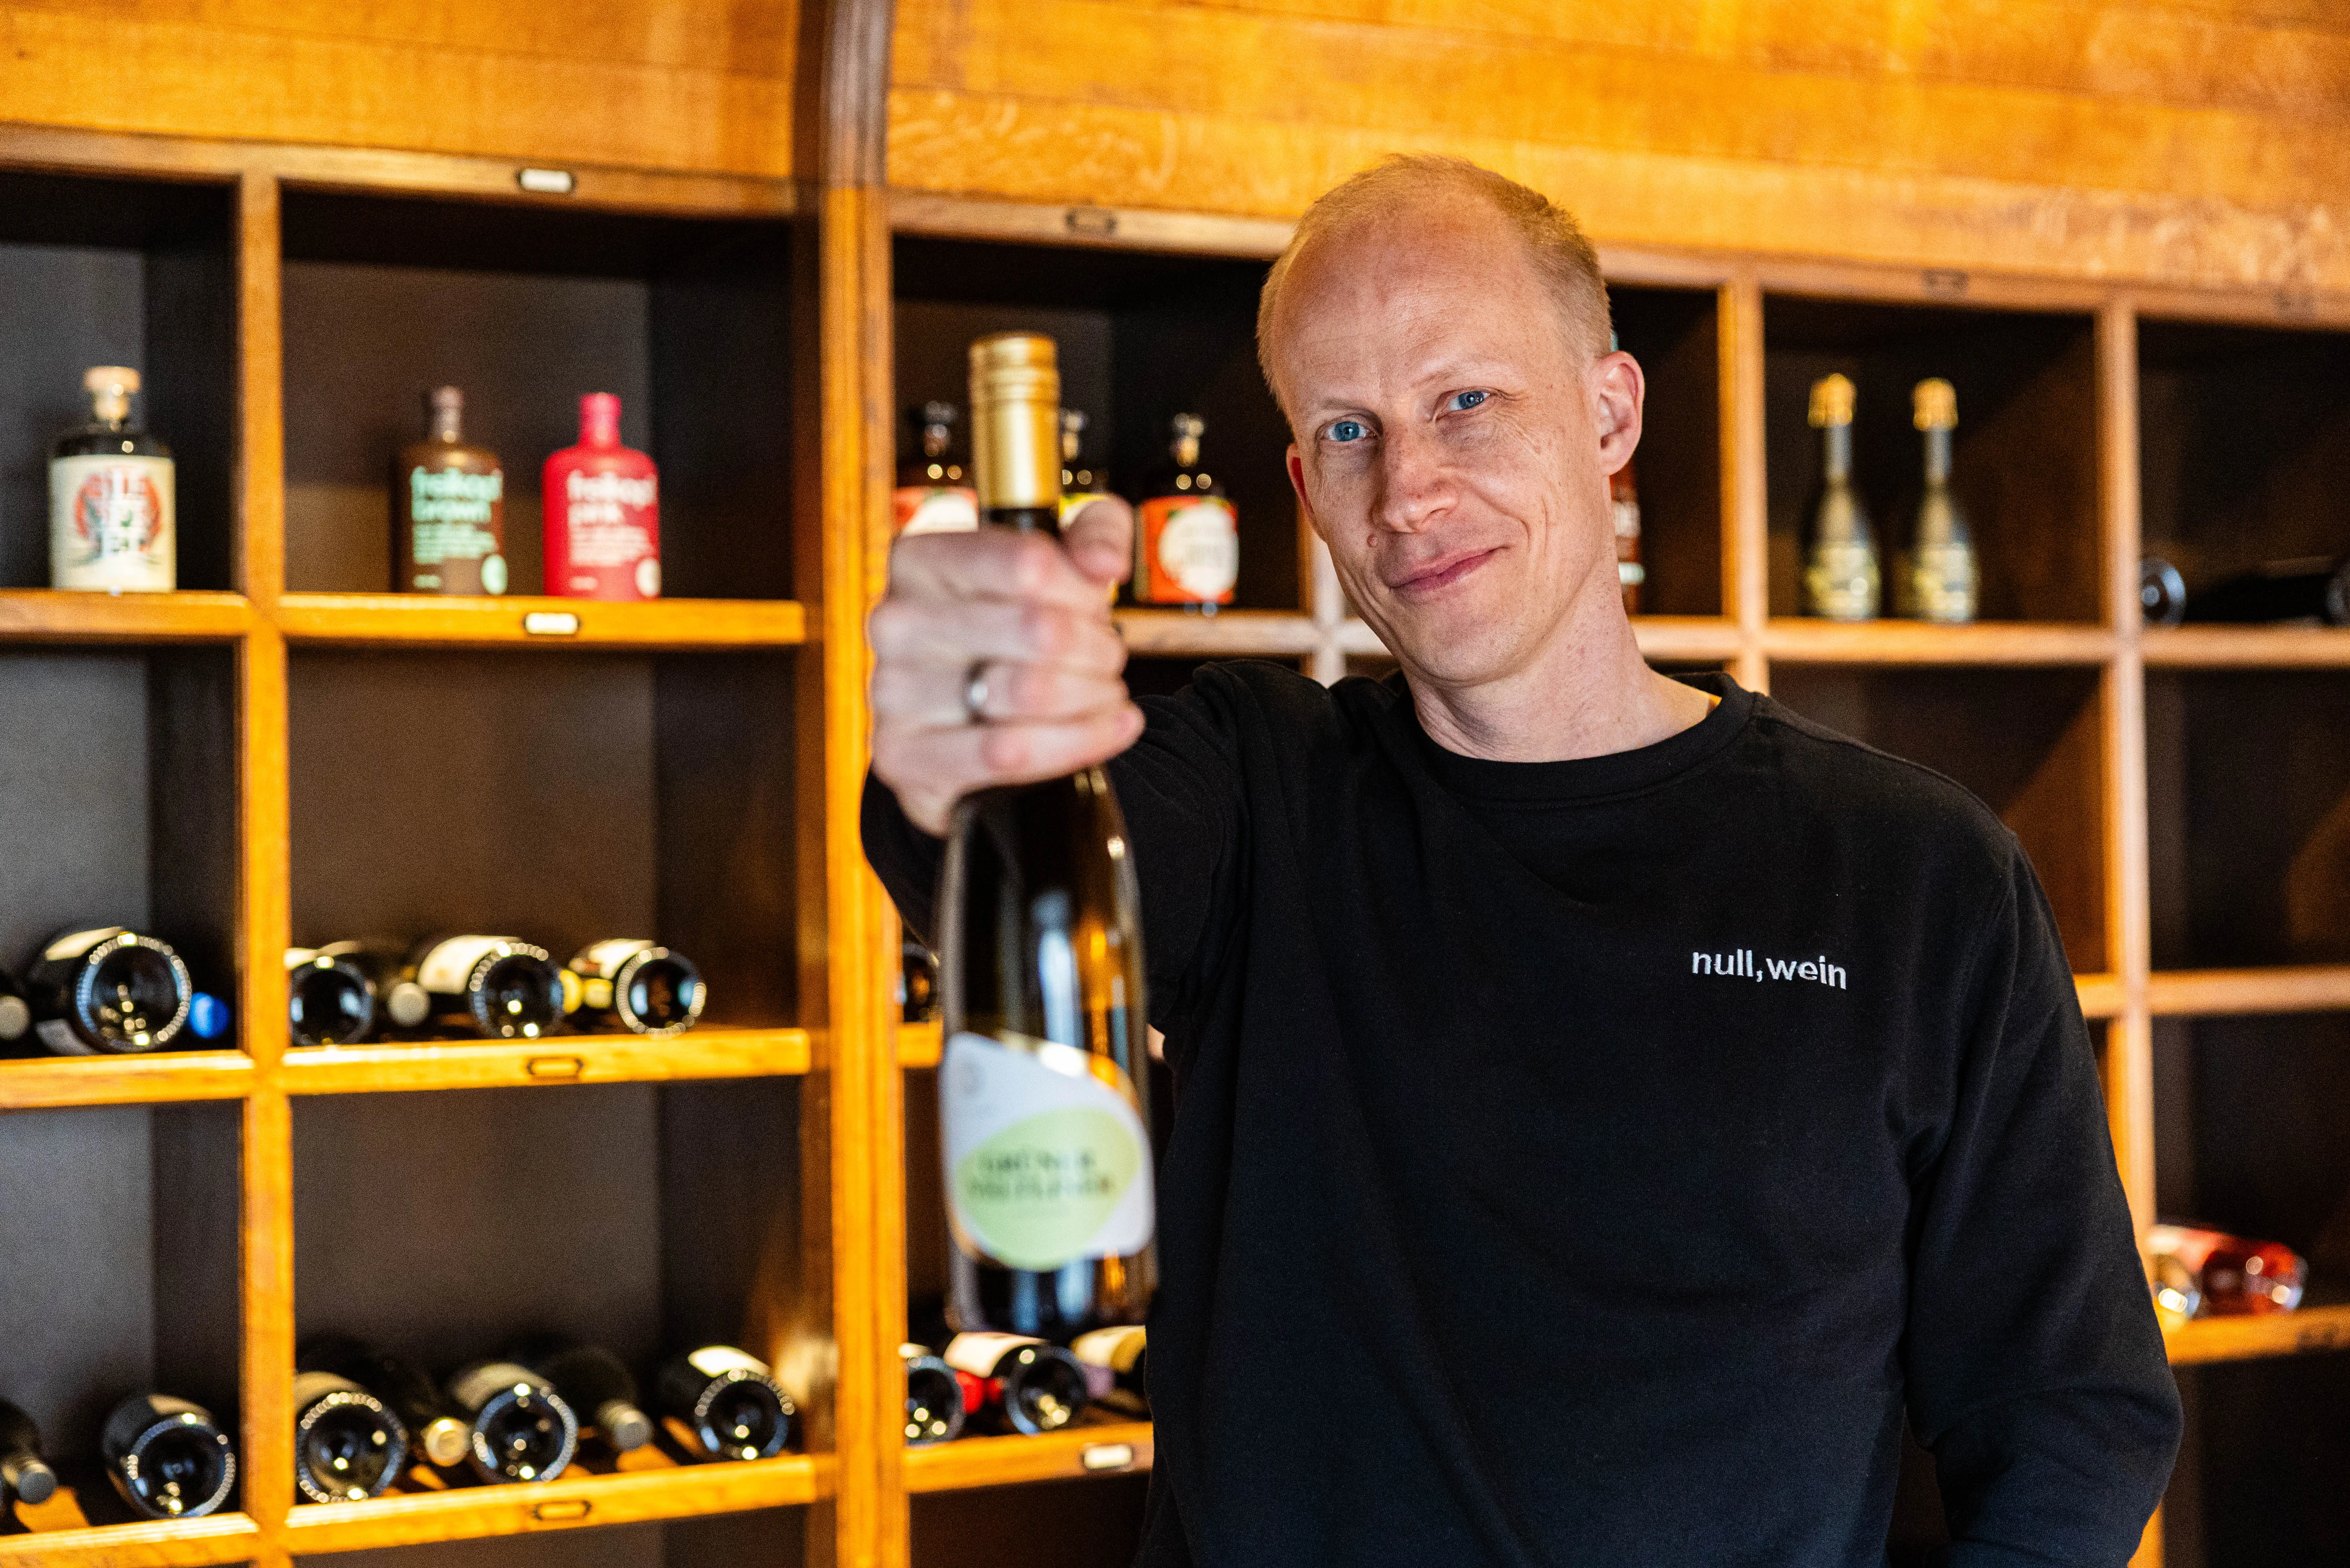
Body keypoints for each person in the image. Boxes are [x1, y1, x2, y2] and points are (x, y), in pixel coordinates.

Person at [864, 156, 2179, 1566]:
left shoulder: (1918, 875)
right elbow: (1015, 840)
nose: (1411, 492)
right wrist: (955, 755)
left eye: (1467, 402)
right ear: (1306, 488)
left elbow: (2072, 1411)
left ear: (1609, 414)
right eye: (1351, 431)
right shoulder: (1259, 793)